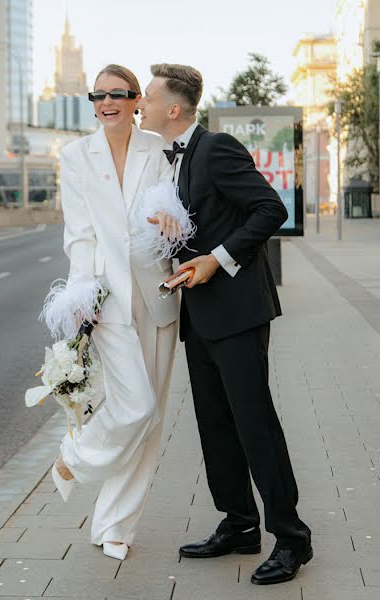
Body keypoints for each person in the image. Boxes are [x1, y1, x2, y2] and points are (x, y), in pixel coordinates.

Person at [138, 63, 312, 585]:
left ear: (174, 109)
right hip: (199, 313)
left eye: (147, 98)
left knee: (254, 423)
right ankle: (239, 524)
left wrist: (216, 258)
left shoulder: (216, 148)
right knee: (216, 425)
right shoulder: (166, 160)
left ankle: (292, 538)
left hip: (237, 310)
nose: (140, 105)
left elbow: (267, 209)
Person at [52, 64, 181, 561]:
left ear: (134, 101)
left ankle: (115, 526)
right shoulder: (75, 156)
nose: (107, 103)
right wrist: (81, 297)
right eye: (98, 96)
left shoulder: (158, 150)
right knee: (136, 407)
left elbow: (169, 206)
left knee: (152, 417)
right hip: (105, 299)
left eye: (118, 95)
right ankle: (75, 459)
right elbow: (79, 233)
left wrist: (171, 218)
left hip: (157, 295)